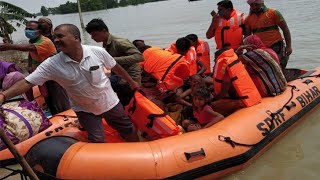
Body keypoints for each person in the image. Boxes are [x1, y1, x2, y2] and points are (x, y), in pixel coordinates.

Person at [0, 24, 140, 143]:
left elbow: (115, 66)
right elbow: (27, 81)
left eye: (60, 36)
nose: (56, 40)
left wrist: (131, 81)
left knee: (127, 129)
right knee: (97, 140)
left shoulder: (97, 52)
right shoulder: (52, 64)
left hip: (109, 102)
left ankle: (139, 152)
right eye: (55, 37)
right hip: (84, 109)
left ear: (76, 38)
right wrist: (4, 95)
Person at [0, 20, 70, 115]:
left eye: (31, 29)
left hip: (54, 74)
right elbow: (31, 52)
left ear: (39, 31)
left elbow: (30, 48)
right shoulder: (34, 41)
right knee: (47, 97)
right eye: (27, 28)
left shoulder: (45, 42)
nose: (28, 31)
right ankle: (54, 114)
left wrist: (10, 46)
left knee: (58, 98)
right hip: (42, 74)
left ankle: (66, 115)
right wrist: (30, 66)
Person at [85, 19, 144, 106]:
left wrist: (112, 60)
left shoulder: (119, 42)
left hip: (130, 77)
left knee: (97, 87)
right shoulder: (105, 43)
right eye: (91, 35)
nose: (92, 38)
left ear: (104, 31)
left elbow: (139, 57)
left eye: (94, 35)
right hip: (119, 75)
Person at [211, 48, 261, 116]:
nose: (214, 60)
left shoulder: (225, 71)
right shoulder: (235, 65)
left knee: (212, 106)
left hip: (240, 101)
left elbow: (223, 93)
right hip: (248, 98)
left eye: (216, 58)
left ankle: (226, 118)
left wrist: (212, 100)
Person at [244, 0, 292, 68]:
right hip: (260, 49)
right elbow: (247, 37)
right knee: (265, 68)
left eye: (256, 5)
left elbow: (285, 29)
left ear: (261, 3)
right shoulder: (248, 19)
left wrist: (289, 46)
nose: (254, 7)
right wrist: (249, 51)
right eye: (252, 5)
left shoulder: (273, 13)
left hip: (275, 45)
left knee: (278, 66)